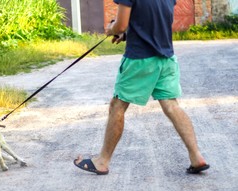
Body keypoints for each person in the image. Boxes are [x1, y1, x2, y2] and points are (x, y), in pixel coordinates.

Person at [73, 0, 209, 175]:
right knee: (171, 106)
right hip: (166, 58)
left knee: (118, 105)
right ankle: (196, 157)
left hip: (140, 60)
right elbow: (154, 19)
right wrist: (130, 34)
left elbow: (121, 25)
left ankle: (102, 161)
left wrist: (112, 29)